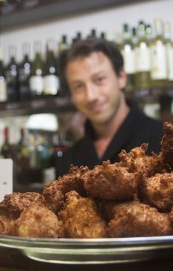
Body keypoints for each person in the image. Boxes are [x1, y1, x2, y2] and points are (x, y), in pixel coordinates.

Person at [55, 37, 164, 177]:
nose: (91, 96)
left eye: (99, 79)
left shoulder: (164, 143)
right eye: (79, 86)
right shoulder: (68, 163)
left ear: (121, 78)